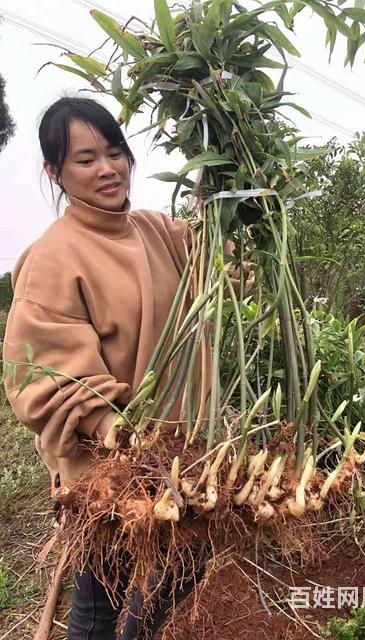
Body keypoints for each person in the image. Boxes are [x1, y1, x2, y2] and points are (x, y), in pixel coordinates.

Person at [2, 96, 207, 639]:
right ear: (56, 172)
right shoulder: (54, 256)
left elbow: (221, 269)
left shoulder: (157, 230)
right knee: (101, 605)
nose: (108, 169)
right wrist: (118, 435)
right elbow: (40, 372)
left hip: (184, 455)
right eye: (86, 159)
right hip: (112, 468)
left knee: (179, 574)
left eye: (115, 152)